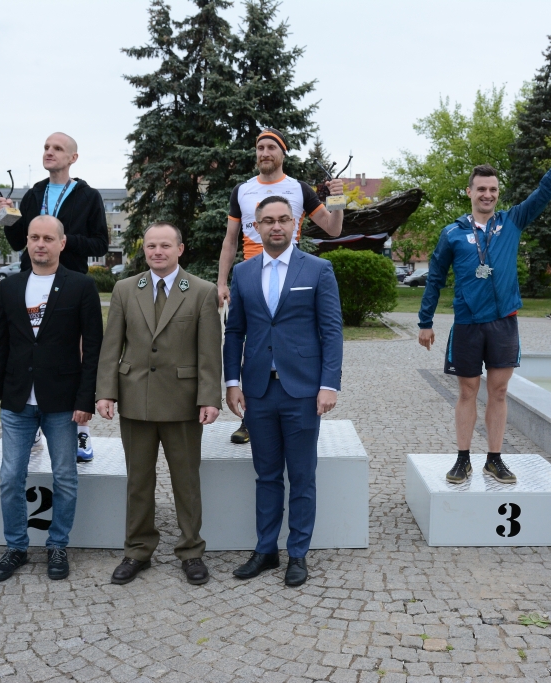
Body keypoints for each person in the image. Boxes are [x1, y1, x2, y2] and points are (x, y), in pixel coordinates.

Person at [418, 124, 551, 485]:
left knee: (499, 390)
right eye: (481, 189)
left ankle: (494, 459)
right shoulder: (452, 233)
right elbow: (434, 278)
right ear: (469, 192)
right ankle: (463, 459)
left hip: (504, 322)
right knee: (467, 391)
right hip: (467, 323)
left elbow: (545, 190)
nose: (488, 195)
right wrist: (425, 321)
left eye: (493, 189)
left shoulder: (512, 221)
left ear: (498, 193)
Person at [223, 195, 343, 587]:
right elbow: (235, 331)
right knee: (267, 474)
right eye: (268, 221)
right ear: (255, 227)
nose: (276, 226)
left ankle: (298, 554)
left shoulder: (318, 269)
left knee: (302, 475)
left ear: (295, 224)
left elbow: (331, 331)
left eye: (283, 220)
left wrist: (328, 385)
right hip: (258, 390)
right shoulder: (243, 273)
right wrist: (232, 382)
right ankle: (265, 550)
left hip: (303, 391)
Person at [95, 222, 222, 586]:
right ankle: (137, 550)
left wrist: (209, 397)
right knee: (138, 481)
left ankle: (191, 551)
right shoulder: (125, 289)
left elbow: (209, 352)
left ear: (180, 249)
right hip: (135, 400)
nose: (157, 252)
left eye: (165, 245)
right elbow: (111, 346)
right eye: (151, 246)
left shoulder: (201, 291)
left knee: (186, 481)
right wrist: (105, 392)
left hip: (183, 403)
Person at [0, 215, 104, 583]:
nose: (40, 244)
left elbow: (93, 348)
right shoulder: (10, 286)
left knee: (65, 476)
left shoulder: (81, 286)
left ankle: (58, 545)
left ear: (62, 243)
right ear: (27, 242)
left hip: (63, 401)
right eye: (34, 237)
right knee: (9, 477)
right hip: (17, 400)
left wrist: (86, 399)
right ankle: (16, 547)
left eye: (48, 238)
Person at [216, 128, 346, 446]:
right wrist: (222, 281)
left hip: (290, 274)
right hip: (251, 277)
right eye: (260, 147)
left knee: (291, 339)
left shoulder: (299, 189)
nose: (264, 152)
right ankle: (250, 418)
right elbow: (230, 240)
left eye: (271, 147)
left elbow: (332, 229)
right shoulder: (242, 190)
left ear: (282, 153)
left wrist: (337, 199)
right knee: (250, 342)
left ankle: (297, 410)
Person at [0, 132, 107, 463]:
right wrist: (8, 217)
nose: (49, 152)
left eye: (57, 148)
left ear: (73, 158)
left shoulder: (88, 196)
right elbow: (19, 242)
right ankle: (30, 423)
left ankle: (81, 429)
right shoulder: (35, 193)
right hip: (32, 280)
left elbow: (100, 244)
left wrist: (61, 240)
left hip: (71, 284)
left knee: (76, 353)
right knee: (28, 348)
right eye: (46, 147)